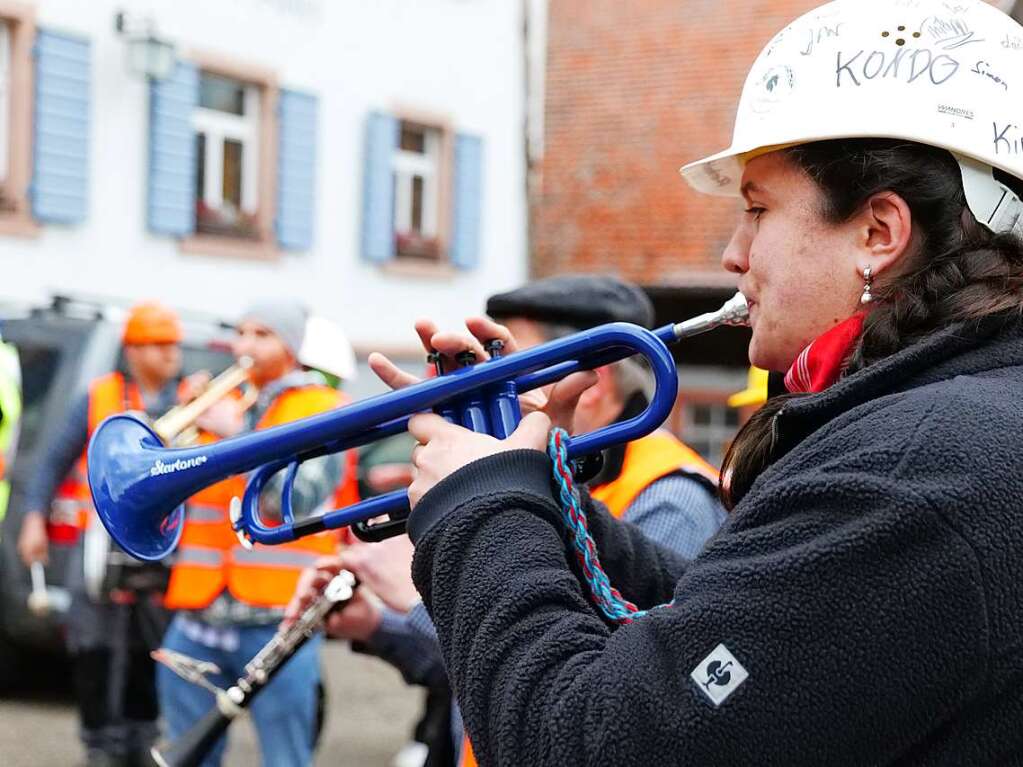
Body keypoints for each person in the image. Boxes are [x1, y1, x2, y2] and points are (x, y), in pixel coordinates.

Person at [361, 0, 1023, 763]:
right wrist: (538, 493)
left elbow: (589, 744)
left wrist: (479, 509)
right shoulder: (948, 420)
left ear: (877, 233)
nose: (732, 255)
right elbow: (736, 618)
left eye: (756, 210)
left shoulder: (914, 467)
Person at [287, 275, 727, 767]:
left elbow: (602, 686)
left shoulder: (669, 497)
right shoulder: (574, 473)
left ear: (592, 386)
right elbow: (472, 677)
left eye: (517, 368)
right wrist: (376, 624)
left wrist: (418, 600)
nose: (496, 390)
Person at [156, 299, 356, 767]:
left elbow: (296, 499)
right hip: (198, 610)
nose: (245, 345)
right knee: (183, 754)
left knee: (285, 758)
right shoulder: (221, 403)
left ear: (290, 347)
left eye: (262, 334)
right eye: (242, 332)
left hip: (277, 617)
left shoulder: (324, 408)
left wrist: (234, 437)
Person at [18, 301, 188, 767]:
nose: (171, 354)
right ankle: (99, 747)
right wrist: (34, 517)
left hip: (161, 550)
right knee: (93, 651)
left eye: (174, 344)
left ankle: (141, 742)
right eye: (158, 344)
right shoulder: (99, 398)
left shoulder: (193, 401)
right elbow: (52, 462)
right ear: (132, 351)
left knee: (148, 651)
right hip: (98, 548)